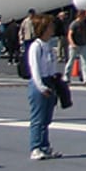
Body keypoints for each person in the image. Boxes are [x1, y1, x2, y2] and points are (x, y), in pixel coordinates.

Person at [25, 13, 63, 159]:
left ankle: (45, 146)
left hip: (49, 81)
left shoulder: (48, 46)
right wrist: (41, 87)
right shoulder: (36, 47)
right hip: (39, 83)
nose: (52, 29)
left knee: (47, 118)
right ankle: (35, 147)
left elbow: (52, 67)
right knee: (38, 118)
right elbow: (34, 69)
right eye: (50, 26)